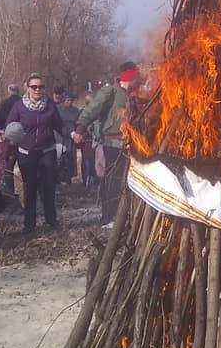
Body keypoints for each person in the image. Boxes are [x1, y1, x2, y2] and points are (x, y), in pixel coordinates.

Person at [73, 63, 143, 228]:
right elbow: (93, 109)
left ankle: (123, 216)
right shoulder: (111, 91)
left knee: (126, 181)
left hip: (130, 144)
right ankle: (109, 217)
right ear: (128, 76)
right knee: (112, 179)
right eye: (135, 76)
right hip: (112, 143)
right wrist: (80, 128)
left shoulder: (132, 96)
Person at [8, 74, 65, 233]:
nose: (37, 90)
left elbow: (59, 126)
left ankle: (51, 220)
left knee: (48, 186)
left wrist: (74, 134)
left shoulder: (50, 105)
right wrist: (7, 138)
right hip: (26, 152)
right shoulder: (19, 106)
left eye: (40, 87)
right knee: (30, 187)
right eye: (34, 87)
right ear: (28, 88)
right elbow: (10, 126)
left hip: (47, 150)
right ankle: (29, 224)